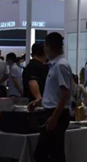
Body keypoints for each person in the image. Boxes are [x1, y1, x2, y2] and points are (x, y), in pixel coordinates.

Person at [28, 33, 72, 162]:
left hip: (56, 113)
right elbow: (55, 93)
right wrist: (39, 102)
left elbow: (65, 94)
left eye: (45, 45)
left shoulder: (60, 66)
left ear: (49, 46)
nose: (44, 49)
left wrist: (54, 118)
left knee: (48, 154)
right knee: (53, 153)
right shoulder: (54, 65)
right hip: (52, 111)